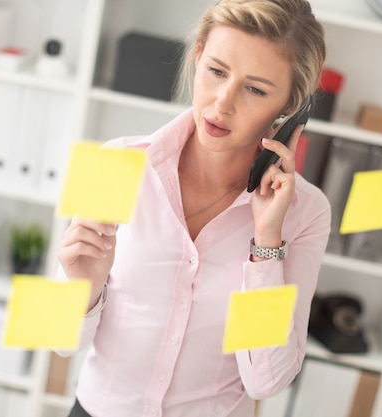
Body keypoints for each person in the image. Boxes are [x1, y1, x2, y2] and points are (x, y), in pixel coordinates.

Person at [56, 0, 330, 416]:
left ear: (291, 105)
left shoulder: (306, 212)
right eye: (217, 71)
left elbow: (267, 381)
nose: (222, 103)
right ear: (198, 55)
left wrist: (265, 244)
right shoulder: (114, 163)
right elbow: (59, 339)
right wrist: (85, 288)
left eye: (255, 89)